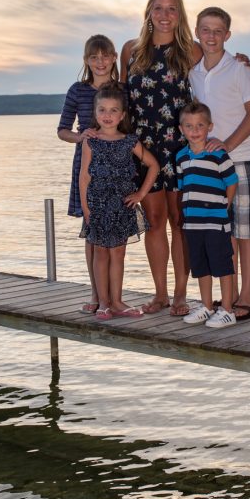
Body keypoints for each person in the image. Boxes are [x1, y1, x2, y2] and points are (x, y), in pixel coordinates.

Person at [189, 6, 250, 321]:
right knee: (225, 232)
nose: (211, 36)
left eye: (218, 31)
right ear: (197, 32)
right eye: (205, 30)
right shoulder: (194, 73)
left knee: (246, 231)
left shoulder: (239, 69)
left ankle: (248, 298)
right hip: (212, 165)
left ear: (228, 35)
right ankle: (228, 299)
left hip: (242, 158)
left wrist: (229, 144)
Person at [120, 0, 196, 316]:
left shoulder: (191, 50)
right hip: (143, 148)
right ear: (149, 12)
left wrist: (240, 60)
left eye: (172, 9)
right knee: (153, 221)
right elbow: (119, 97)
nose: (165, 15)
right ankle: (160, 294)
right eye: (159, 8)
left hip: (179, 146)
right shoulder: (131, 50)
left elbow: (217, 68)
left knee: (180, 220)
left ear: (180, 15)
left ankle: (180, 294)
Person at [79, 83, 159, 321]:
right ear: (95, 113)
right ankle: (103, 303)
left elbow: (153, 165)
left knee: (118, 254)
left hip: (122, 206)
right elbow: (84, 177)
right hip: (98, 205)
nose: (107, 115)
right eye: (102, 110)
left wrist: (140, 195)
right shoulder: (90, 141)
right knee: (100, 253)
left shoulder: (129, 141)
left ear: (122, 115)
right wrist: (85, 208)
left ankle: (117, 301)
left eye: (113, 110)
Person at [57, 35, 119, 313]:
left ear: (114, 58)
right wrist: (80, 137)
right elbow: (62, 130)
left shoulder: (121, 89)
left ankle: (112, 297)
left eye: (105, 56)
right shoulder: (77, 90)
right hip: (87, 164)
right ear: (86, 60)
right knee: (92, 228)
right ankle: (96, 295)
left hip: (117, 164)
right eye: (94, 57)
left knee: (115, 231)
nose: (100, 62)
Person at [176, 102, 238, 328]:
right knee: (200, 265)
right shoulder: (181, 157)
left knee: (222, 264)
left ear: (209, 127)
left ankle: (228, 310)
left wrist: (225, 205)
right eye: (189, 126)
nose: (194, 130)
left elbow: (232, 182)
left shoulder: (218, 154)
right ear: (181, 129)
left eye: (200, 125)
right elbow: (183, 186)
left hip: (215, 221)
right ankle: (207, 306)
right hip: (193, 222)